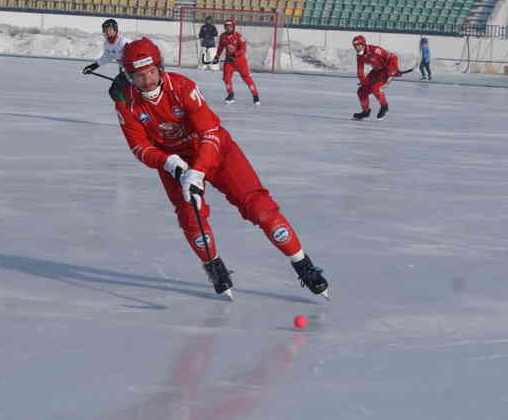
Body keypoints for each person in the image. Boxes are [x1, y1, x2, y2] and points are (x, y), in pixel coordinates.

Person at [115, 37, 329, 299]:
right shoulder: (126, 102)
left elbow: (209, 133)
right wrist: (169, 163)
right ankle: (213, 265)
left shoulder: (183, 87)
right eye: (138, 76)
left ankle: (302, 263)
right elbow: (139, 147)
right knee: (191, 217)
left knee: (260, 209)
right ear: (128, 76)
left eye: (150, 72)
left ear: (160, 68)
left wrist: (199, 170)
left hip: (215, 151)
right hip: (174, 162)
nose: (147, 81)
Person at [352, 34, 403, 120]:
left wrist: (393, 70)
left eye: (358, 45)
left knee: (376, 88)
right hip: (375, 72)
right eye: (354, 46)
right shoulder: (359, 56)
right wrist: (364, 80)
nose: (356, 48)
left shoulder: (376, 50)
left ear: (363, 44)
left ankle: (384, 106)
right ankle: (366, 111)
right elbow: (360, 71)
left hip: (386, 71)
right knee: (361, 91)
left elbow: (393, 57)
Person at [213, 19, 260, 106]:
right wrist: (216, 56)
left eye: (230, 27)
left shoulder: (239, 37)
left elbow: (243, 50)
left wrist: (234, 55)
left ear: (233, 27)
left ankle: (255, 95)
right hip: (229, 62)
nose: (228, 28)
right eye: (226, 27)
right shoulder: (223, 36)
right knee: (226, 78)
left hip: (240, 62)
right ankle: (230, 95)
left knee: (246, 78)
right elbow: (220, 47)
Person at [82, 19, 131, 102]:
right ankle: (127, 107)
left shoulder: (124, 42)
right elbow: (107, 57)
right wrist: (93, 66)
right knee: (114, 92)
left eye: (109, 30)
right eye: (105, 30)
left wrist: (127, 67)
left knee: (128, 92)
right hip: (124, 73)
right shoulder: (107, 44)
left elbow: (136, 56)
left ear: (115, 30)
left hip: (134, 73)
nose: (107, 32)